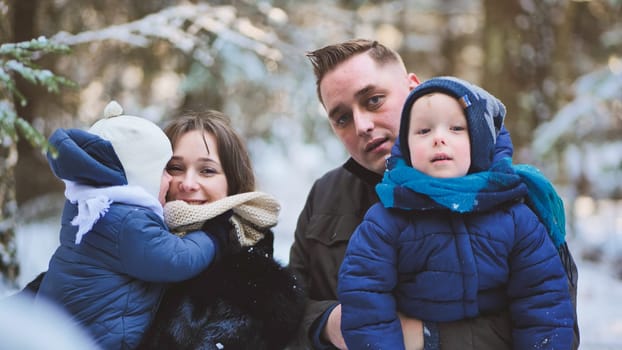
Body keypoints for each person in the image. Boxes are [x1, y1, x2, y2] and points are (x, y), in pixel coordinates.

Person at [288, 39, 579, 350]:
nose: (362, 125)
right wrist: (328, 324)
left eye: (373, 100)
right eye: (342, 118)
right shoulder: (325, 196)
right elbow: (286, 311)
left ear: (415, 89)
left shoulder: (508, 195)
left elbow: (553, 323)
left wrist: (427, 337)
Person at [35, 101, 230, 349]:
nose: (175, 181)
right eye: (169, 169)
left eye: (208, 170)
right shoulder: (128, 221)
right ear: (139, 177)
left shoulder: (90, 206)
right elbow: (177, 258)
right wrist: (212, 237)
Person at [137, 110, 305, 350]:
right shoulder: (128, 244)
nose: (188, 183)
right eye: (175, 167)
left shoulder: (255, 285)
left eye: (207, 170)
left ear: (233, 183)